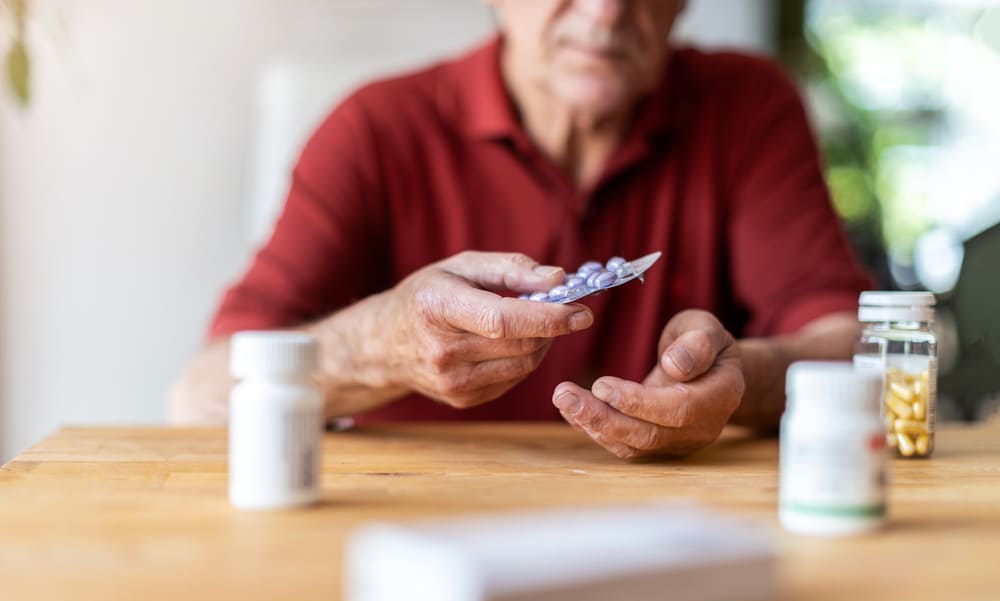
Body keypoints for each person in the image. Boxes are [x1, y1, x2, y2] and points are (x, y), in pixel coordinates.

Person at [170, 0, 871, 459]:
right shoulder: (374, 131)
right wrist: (383, 344)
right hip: (419, 534)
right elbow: (201, 394)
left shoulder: (748, 109)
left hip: (667, 533)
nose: (604, 13)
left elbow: (857, 346)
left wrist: (742, 379)